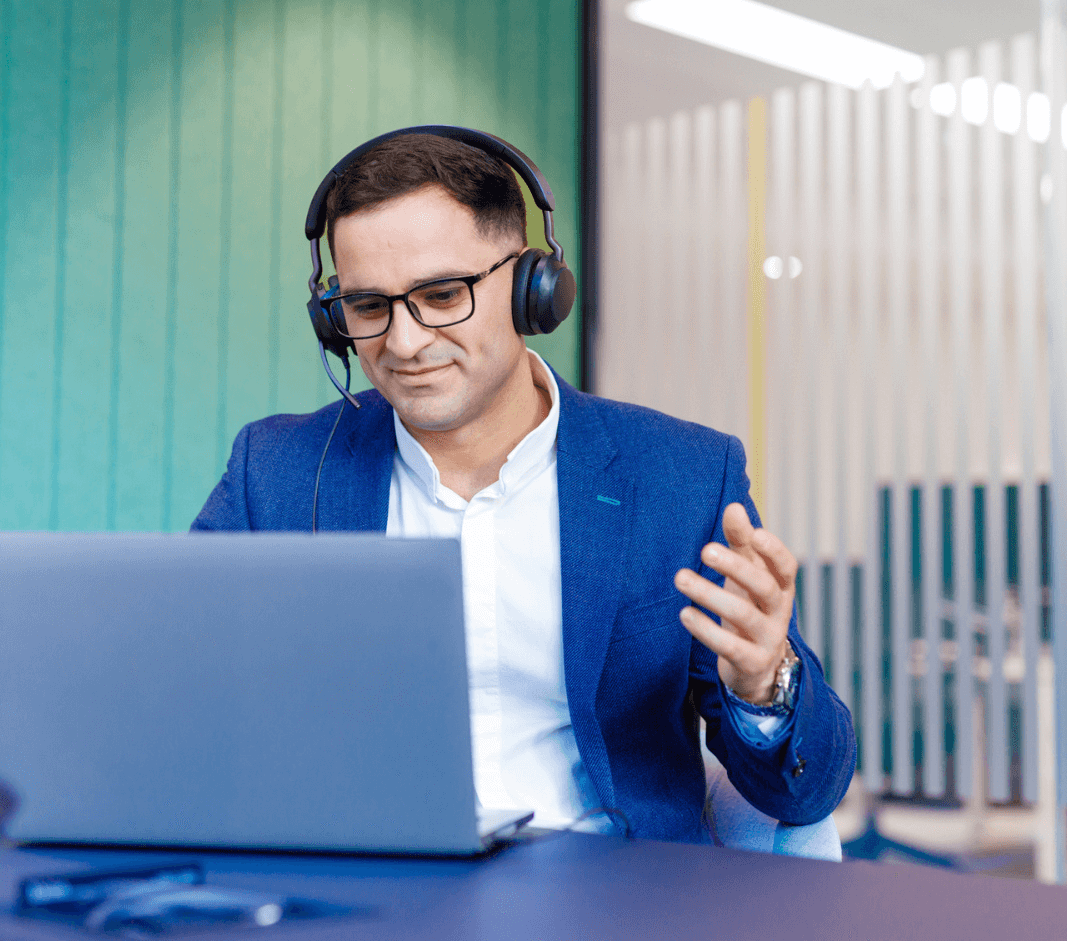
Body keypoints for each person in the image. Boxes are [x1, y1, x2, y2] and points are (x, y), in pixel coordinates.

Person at [192, 128, 855, 844]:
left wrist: (764, 687)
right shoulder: (278, 470)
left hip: (604, 898)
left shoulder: (679, 474)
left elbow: (806, 791)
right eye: (368, 306)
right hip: (367, 887)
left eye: (442, 294)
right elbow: (181, 690)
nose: (404, 342)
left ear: (532, 286)